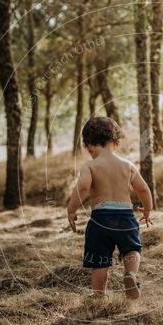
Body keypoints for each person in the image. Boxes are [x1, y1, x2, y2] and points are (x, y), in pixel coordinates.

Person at [66, 117, 153, 300]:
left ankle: (98, 295)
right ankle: (130, 274)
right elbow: (143, 189)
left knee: (99, 260)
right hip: (126, 217)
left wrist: (71, 210)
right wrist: (147, 210)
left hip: (100, 218)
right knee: (131, 249)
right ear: (116, 144)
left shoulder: (90, 166)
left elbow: (82, 188)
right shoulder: (127, 165)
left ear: (89, 146)